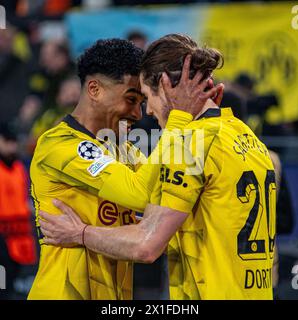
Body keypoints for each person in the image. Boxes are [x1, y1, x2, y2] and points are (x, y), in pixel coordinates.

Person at [40, 34, 277, 300]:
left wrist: (79, 233)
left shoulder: (190, 142)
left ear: (165, 87)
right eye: (132, 100)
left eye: (144, 99)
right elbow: (151, 193)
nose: (144, 114)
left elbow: (146, 241)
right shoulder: (243, 134)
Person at [0, 123, 37, 299]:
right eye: (7, 141)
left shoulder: (20, 168)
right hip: (2, 241)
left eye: (14, 141)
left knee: (20, 290)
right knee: (3, 289)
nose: (12, 145)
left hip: (21, 238)